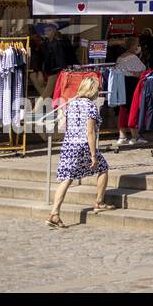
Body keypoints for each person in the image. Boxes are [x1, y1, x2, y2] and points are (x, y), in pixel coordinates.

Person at [48, 76, 112, 228]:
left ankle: (54, 213)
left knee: (67, 178)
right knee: (103, 168)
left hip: (69, 145)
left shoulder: (72, 103)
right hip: (82, 145)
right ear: (92, 90)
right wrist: (93, 155)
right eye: (97, 89)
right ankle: (99, 201)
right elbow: (90, 132)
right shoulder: (90, 106)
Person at [112, 36, 147, 146]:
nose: (138, 47)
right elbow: (142, 70)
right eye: (137, 45)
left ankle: (122, 136)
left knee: (123, 109)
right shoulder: (132, 57)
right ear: (132, 46)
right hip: (131, 85)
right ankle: (135, 136)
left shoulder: (120, 57)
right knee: (133, 109)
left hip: (121, 84)